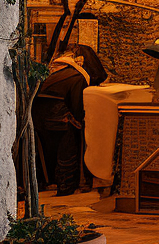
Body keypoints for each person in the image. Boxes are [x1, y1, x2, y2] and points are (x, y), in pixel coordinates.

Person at [31, 43, 108, 196]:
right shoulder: (77, 77)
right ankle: (65, 187)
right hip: (60, 118)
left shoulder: (57, 73)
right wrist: (80, 122)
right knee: (68, 151)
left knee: (48, 153)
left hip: (39, 116)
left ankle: (45, 184)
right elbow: (76, 105)